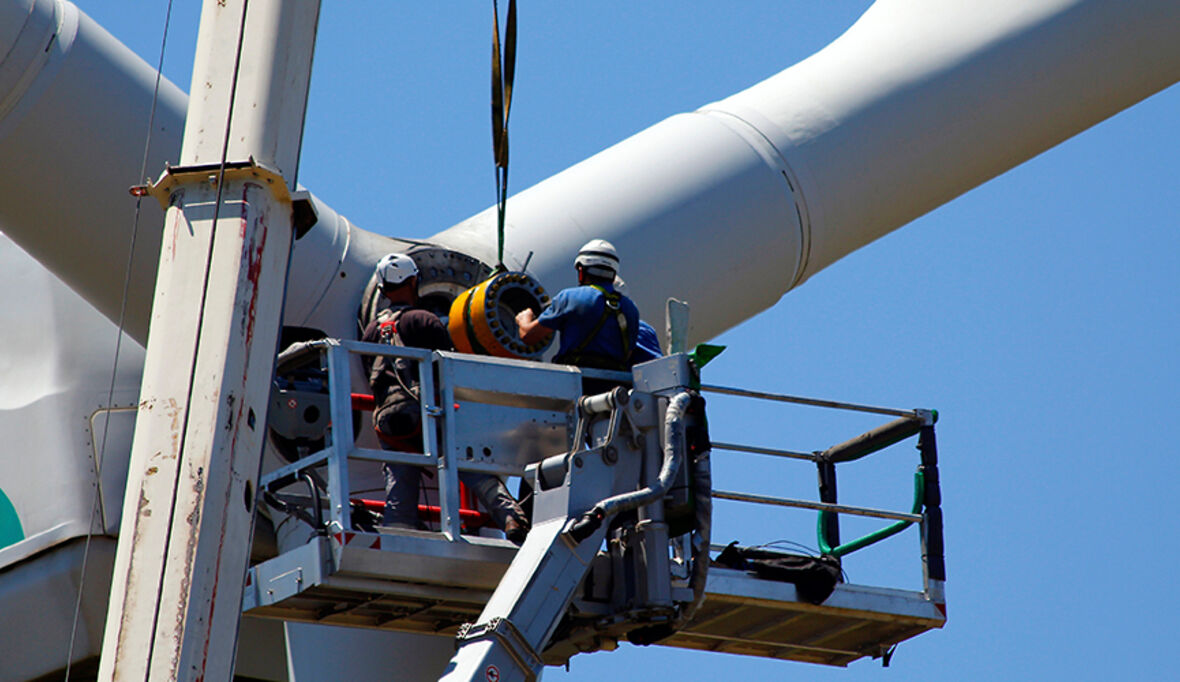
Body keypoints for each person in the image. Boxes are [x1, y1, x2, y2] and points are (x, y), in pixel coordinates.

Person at [363, 253, 529, 544]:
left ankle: (399, 535)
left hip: (388, 421)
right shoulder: (424, 320)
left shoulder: (371, 332)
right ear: (414, 281)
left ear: (383, 289)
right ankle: (510, 516)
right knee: (466, 460)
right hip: (425, 412)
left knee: (399, 478)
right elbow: (448, 369)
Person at [515, 239, 640, 372]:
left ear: (581, 270)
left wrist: (524, 319)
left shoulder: (569, 297)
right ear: (614, 272)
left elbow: (528, 337)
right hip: (614, 385)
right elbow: (628, 353)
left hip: (577, 382)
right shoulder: (630, 309)